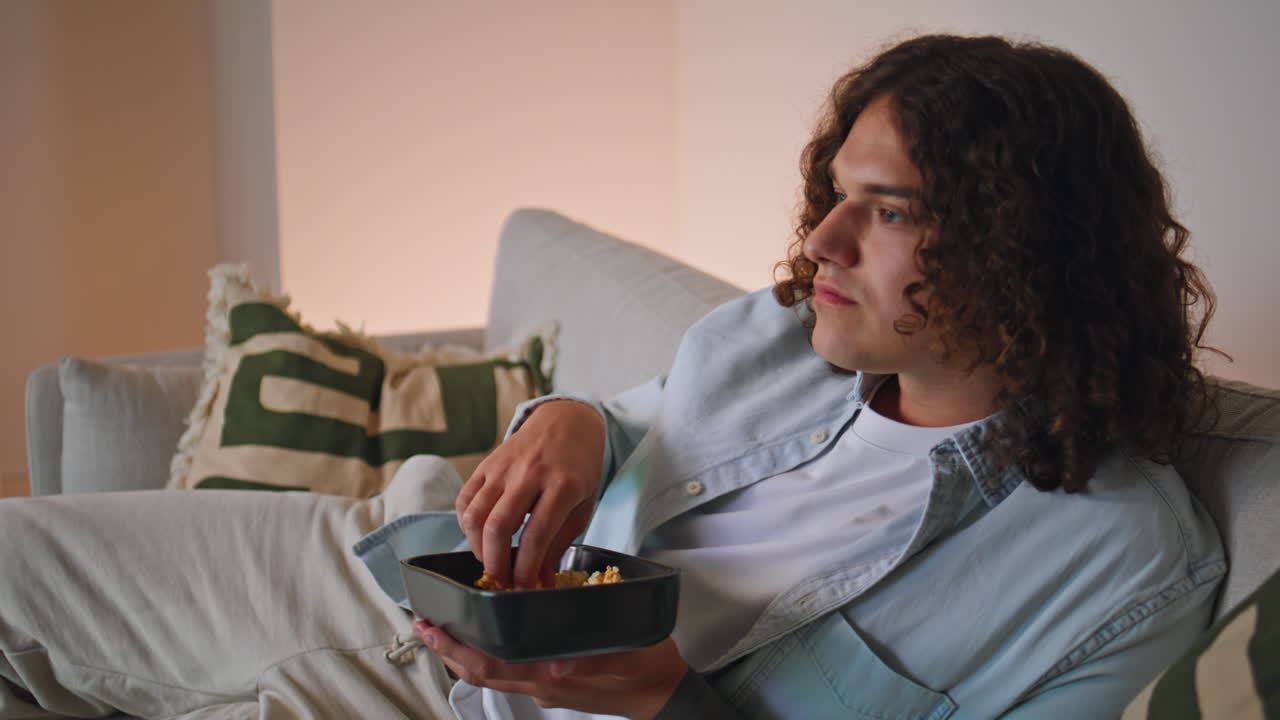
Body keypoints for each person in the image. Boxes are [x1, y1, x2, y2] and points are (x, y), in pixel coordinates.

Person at [0, 33, 1224, 720]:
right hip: (395, 567)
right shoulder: (787, 333)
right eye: (835, 195)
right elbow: (630, 418)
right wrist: (570, 418)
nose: (821, 246)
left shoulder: (1115, 567)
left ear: (1023, 243)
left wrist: (670, 705)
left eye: (885, 211)